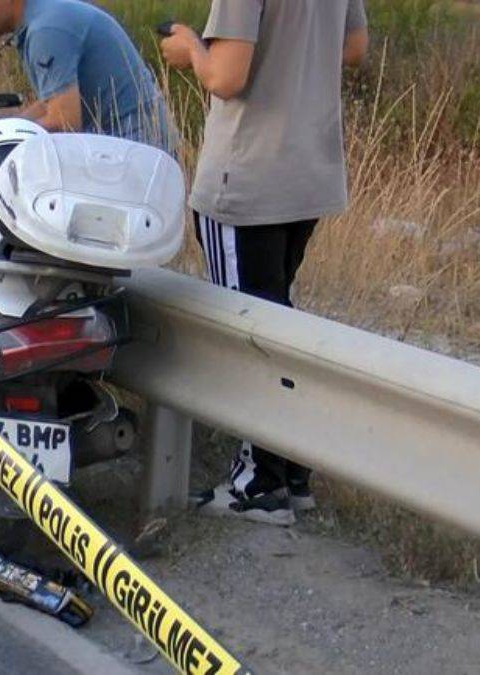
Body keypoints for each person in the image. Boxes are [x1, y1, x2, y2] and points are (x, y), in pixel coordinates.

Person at [160, 0, 370, 525]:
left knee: (246, 333)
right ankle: (292, 471)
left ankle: (260, 483)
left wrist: (191, 48)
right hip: (308, 174)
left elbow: (226, 78)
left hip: (248, 177)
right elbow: (353, 48)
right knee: (277, 319)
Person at [0, 0, 173, 151]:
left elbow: (64, 123)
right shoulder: (45, 14)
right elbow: (53, 102)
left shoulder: (45, 29)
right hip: (135, 143)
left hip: (138, 149)